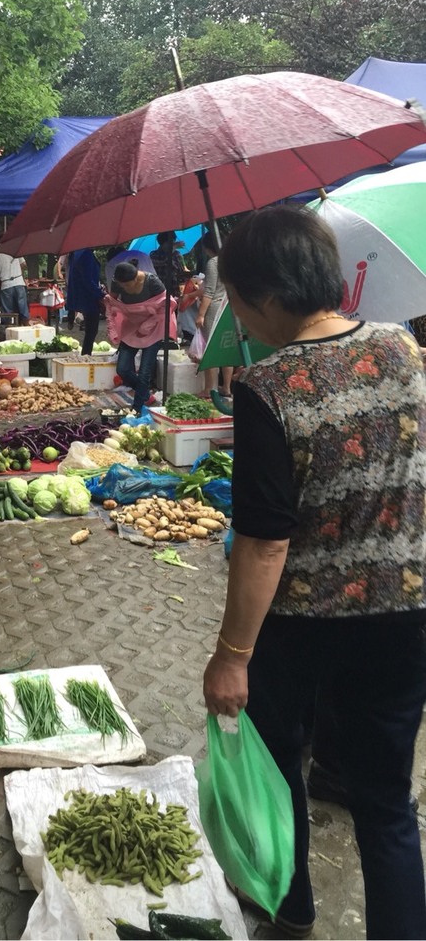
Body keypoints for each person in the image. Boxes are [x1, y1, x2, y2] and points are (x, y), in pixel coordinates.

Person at [202, 204, 426, 941]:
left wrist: (231, 655)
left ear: (266, 296)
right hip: (402, 615)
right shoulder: (403, 349)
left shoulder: (268, 386)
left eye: (233, 300)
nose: (235, 316)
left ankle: (290, 910)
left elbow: (263, 542)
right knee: (387, 804)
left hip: (300, 625)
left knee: (282, 770)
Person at [106, 261, 174, 413]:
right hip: (131, 327)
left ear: (136, 278)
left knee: (144, 372)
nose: (125, 288)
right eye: (122, 286)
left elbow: (166, 306)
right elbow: (111, 303)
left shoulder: (153, 282)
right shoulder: (117, 282)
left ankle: (136, 409)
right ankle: (145, 394)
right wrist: (112, 326)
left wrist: (149, 324)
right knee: (122, 369)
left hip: (153, 327)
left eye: (127, 286)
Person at [195, 230, 233, 398]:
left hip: (215, 308)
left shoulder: (213, 262)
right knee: (226, 348)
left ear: (208, 247)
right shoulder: (232, 260)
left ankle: (210, 389)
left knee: (210, 349)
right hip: (229, 308)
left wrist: (201, 314)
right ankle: (227, 387)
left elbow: (209, 292)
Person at [65, 249, 104, 355]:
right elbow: (88, 280)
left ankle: (86, 355)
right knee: (91, 331)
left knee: (90, 331)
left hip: (80, 295)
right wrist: (100, 294)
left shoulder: (76, 253)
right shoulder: (86, 254)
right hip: (88, 297)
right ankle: (86, 356)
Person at [0, 239, 30, 323]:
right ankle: (25, 326)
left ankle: (6, 328)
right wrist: (17, 271)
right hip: (19, 283)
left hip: (6, 286)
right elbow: (24, 265)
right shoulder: (15, 252)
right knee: (23, 310)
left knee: (7, 312)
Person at [150, 232, 187, 298]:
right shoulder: (153, 254)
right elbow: (163, 260)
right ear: (162, 243)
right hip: (161, 292)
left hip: (176, 291)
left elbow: (181, 270)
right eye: (170, 243)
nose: (172, 245)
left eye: (173, 243)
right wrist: (174, 247)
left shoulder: (177, 254)